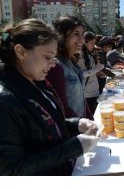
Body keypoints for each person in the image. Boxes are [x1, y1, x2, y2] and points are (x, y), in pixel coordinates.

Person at [0, 19, 100, 175]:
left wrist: (77, 123)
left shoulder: (36, 81)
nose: (53, 64)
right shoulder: (5, 101)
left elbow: (47, 123)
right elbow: (11, 170)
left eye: (54, 57)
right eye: (47, 57)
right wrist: (75, 147)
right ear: (21, 52)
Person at [47, 15, 93, 120]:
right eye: (76, 34)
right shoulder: (56, 67)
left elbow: (81, 99)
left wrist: (90, 118)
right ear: (61, 36)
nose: (82, 40)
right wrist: (82, 124)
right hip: (73, 131)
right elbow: (62, 109)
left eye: (82, 34)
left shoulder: (73, 63)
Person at [78, 31, 104, 113]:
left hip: (93, 91)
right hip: (87, 94)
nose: (94, 45)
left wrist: (98, 73)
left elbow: (90, 71)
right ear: (85, 42)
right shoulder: (79, 56)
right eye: (92, 43)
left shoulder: (89, 54)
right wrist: (96, 69)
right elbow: (80, 74)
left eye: (94, 43)